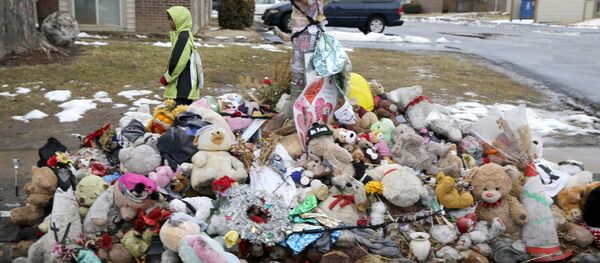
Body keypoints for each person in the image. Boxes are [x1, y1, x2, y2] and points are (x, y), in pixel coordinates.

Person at [160, 6, 201, 105]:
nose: (169, 22)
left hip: (182, 88)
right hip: (183, 88)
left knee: (175, 116)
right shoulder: (184, 35)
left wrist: (167, 77)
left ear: (179, 20)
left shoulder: (183, 37)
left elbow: (178, 61)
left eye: (171, 19)